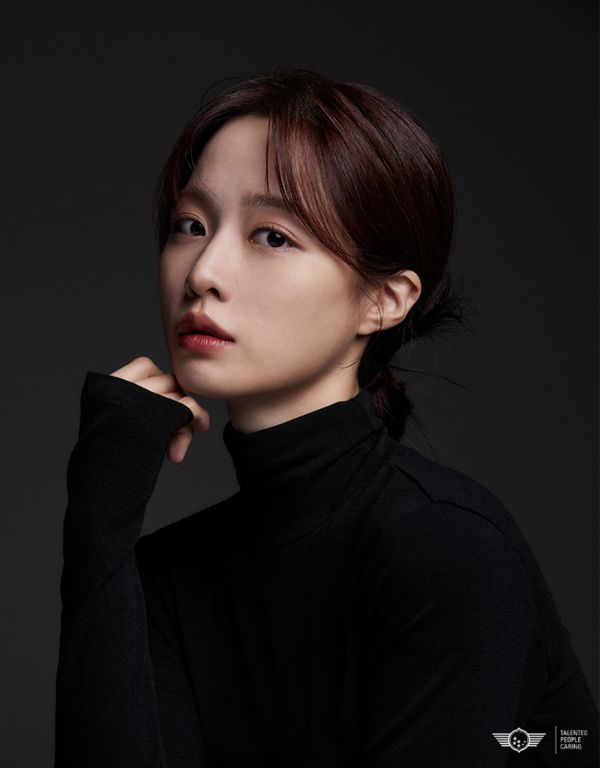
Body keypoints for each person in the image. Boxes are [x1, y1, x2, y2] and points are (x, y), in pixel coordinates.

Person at [54, 68, 599, 767]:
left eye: (272, 236)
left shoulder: (448, 547)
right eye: (190, 225)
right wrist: (100, 518)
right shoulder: (168, 573)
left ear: (384, 300)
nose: (203, 272)